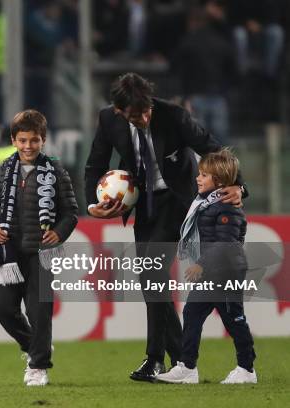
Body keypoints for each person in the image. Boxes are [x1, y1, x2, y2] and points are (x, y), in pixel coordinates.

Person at [84, 73, 247, 382]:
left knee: (151, 273)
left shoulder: (174, 116)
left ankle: (161, 359)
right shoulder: (108, 120)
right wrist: (92, 205)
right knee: (150, 281)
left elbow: (213, 148)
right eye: (135, 115)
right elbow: (95, 164)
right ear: (119, 111)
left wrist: (239, 185)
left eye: (146, 110)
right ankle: (178, 361)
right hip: (144, 207)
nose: (144, 117)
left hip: (178, 203)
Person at [0, 109, 78, 386]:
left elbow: (70, 212)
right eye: (22, 140)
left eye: (34, 140)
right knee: (3, 309)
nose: (28, 146)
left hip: (42, 253)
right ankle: (35, 346)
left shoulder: (56, 171)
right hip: (8, 253)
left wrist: (58, 233)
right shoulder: (0, 172)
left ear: (43, 140)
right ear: (13, 140)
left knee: (39, 311)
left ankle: (38, 366)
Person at [156, 149, 256, 384]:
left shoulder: (227, 208)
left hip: (227, 271)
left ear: (219, 181)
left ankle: (247, 368)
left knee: (233, 319)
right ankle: (187, 367)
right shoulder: (206, 203)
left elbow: (226, 245)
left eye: (203, 175)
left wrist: (200, 264)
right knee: (192, 312)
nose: (198, 178)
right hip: (212, 272)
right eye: (199, 174)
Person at [173, 0, 236, 145]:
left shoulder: (188, 41)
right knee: (220, 146)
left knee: (199, 144)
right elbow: (234, 71)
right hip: (218, 96)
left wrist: (185, 95)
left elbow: (175, 67)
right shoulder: (222, 42)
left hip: (195, 97)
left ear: (192, 22)